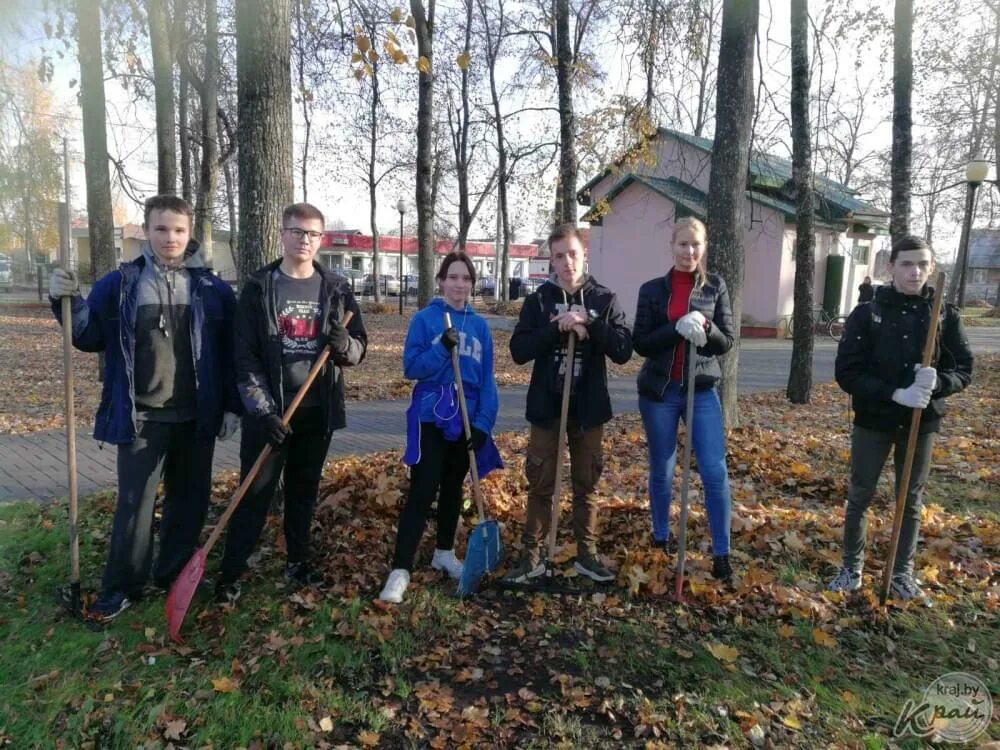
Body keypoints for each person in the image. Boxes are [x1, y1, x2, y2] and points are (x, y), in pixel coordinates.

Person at [49, 194, 241, 622]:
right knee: (134, 506)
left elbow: (228, 356)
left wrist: (231, 407)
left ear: (189, 233)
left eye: (178, 229)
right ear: (146, 230)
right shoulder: (120, 284)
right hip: (141, 418)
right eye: (160, 228)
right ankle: (122, 586)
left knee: (188, 503)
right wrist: (68, 301)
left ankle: (172, 574)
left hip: (197, 418)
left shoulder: (212, 290)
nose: (169, 237)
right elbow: (89, 336)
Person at [216, 203, 367, 603]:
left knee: (304, 491)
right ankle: (231, 572)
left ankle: (298, 562)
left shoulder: (336, 289)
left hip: (317, 412)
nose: (304, 240)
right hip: (270, 415)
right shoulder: (259, 287)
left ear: (320, 240)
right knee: (255, 493)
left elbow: (359, 347)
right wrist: (262, 411)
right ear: (282, 234)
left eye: (312, 234)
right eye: (297, 232)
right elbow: (244, 356)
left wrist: (344, 346)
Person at [829, 235, 973, 601]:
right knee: (860, 494)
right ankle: (851, 568)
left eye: (922, 264)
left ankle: (901, 572)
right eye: (907, 264)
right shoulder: (868, 312)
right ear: (890, 267)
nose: (915, 271)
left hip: (920, 424)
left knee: (910, 499)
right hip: (873, 421)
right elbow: (847, 371)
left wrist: (940, 381)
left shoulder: (944, 313)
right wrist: (893, 393)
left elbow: (964, 368)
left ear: (932, 268)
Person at [503, 224, 633, 584]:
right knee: (541, 481)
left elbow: (623, 350)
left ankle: (586, 555)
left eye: (572, 253)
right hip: (547, 406)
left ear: (583, 253)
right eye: (558, 255)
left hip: (588, 408)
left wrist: (589, 323)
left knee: (586, 483)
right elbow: (518, 351)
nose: (566, 261)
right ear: (551, 259)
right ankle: (533, 556)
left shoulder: (603, 299)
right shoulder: (539, 301)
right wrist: (556, 329)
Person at [379, 252, 501, 603]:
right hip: (433, 418)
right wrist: (439, 349)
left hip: (467, 419)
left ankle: (444, 551)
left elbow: (488, 379)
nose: (459, 284)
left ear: (472, 285)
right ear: (442, 281)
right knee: (423, 490)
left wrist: (482, 424)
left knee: (452, 489)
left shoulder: (480, 327)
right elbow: (411, 368)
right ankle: (400, 568)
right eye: (453, 277)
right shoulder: (425, 320)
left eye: (466, 279)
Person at [631, 217, 736, 583]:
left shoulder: (716, 287)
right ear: (671, 246)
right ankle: (661, 536)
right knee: (662, 467)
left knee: (713, 470)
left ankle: (722, 551)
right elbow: (640, 342)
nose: (689, 252)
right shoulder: (652, 290)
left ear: (704, 247)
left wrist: (706, 328)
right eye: (683, 244)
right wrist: (673, 329)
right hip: (660, 392)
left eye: (696, 245)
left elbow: (727, 342)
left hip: (701, 389)